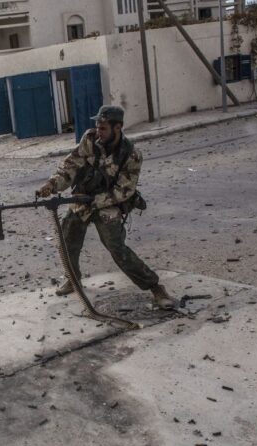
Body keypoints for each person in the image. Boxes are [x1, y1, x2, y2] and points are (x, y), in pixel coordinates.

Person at [37, 105, 177, 310]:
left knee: (117, 249)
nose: (99, 132)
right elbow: (71, 166)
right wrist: (52, 184)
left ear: (117, 128)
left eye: (103, 128)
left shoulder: (131, 155)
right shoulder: (90, 139)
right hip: (82, 199)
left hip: (108, 205)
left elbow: (124, 191)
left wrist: (94, 202)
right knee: (67, 242)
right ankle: (73, 279)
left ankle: (156, 288)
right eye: (97, 126)